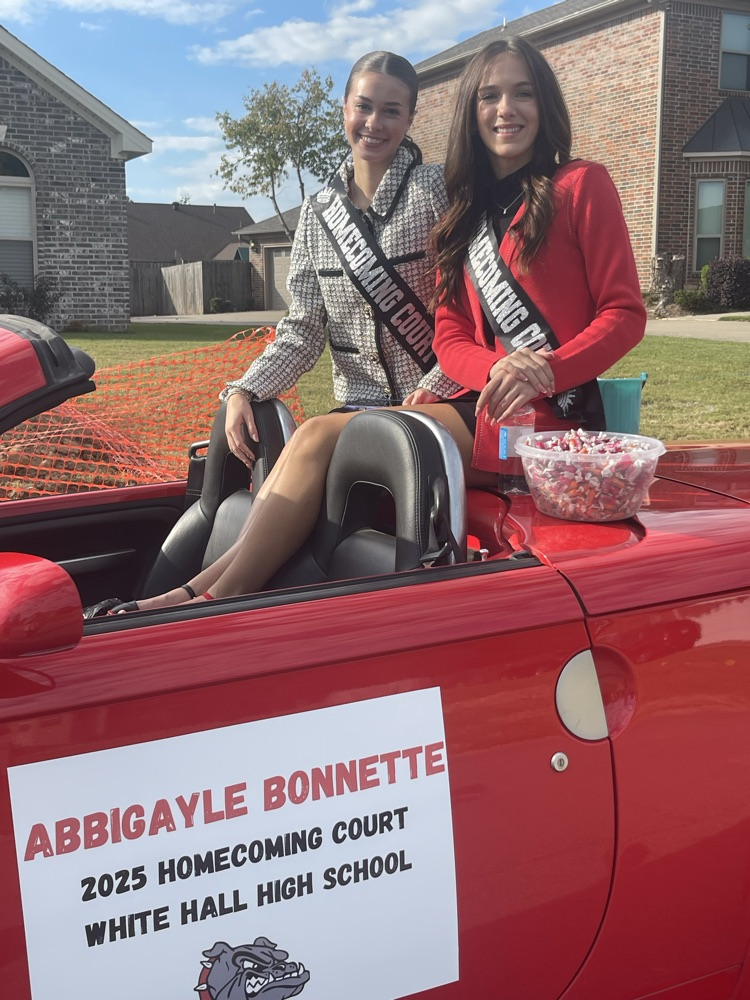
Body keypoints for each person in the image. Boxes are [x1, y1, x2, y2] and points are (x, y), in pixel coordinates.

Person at [86, 50, 495, 616]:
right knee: (315, 441)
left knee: (319, 434)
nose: (374, 124)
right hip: (361, 412)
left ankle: (203, 603)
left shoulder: (436, 192)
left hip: (444, 401)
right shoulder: (318, 214)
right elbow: (302, 329)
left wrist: (431, 387)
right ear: (344, 108)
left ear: (410, 119)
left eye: (391, 112)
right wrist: (243, 389)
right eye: (364, 106)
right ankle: (189, 596)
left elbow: (476, 317)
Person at [430, 36, 646, 442]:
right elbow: (449, 334)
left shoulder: (581, 185)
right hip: (483, 403)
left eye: (523, 94)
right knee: (337, 436)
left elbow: (624, 314)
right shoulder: (461, 216)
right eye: (489, 96)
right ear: (471, 113)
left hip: (556, 415)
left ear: (544, 105)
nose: (506, 109)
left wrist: (545, 373)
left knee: (364, 440)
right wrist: (497, 369)